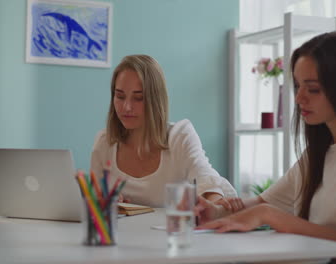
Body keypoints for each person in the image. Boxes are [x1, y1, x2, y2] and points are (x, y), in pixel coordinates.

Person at [195, 31, 336, 264]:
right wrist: (216, 212)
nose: (299, 99)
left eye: (313, 89)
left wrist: (267, 216)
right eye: (298, 86)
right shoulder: (324, 148)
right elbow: (265, 203)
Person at [90, 54, 237, 208]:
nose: (126, 107)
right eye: (120, 96)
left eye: (138, 98)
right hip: (122, 232)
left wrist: (214, 206)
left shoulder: (180, 136)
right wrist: (105, 201)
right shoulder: (104, 142)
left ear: (155, 99)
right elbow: (95, 198)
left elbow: (206, 180)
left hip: (172, 231)